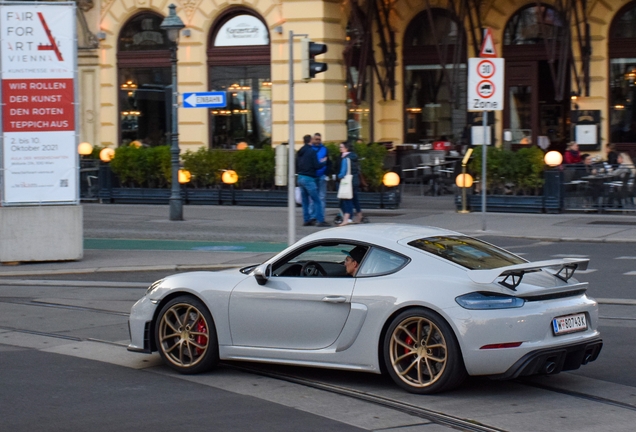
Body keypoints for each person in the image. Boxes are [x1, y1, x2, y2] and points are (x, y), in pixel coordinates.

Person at [296, 134, 329, 227]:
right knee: (317, 200)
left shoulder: (300, 151)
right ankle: (320, 220)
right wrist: (324, 162)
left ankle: (307, 219)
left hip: (300, 177)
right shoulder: (312, 152)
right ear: (310, 140)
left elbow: (296, 164)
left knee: (305, 201)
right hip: (309, 178)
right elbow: (316, 166)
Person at [336, 141, 360, 226]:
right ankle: (359, 215)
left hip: (348, 182)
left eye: (341, 147)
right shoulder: (354, 157)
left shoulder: (345, 159)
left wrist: (338, 176)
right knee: (354, 199)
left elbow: (343, 172)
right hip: (355, 180)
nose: (340, 149)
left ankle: (346, 219)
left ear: (346, 148)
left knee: (347, 200)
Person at [311, 133, 329, 220]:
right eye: (316, 139)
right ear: (313, 140)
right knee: (313, 197)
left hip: (322, 175)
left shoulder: (324, 149)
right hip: (312, 176)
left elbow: (328, 161)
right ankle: (313, 216)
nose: (318, 141)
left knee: (321, 197)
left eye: (319, 139)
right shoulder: (310, 149)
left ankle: (320, 216)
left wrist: (327, 172)